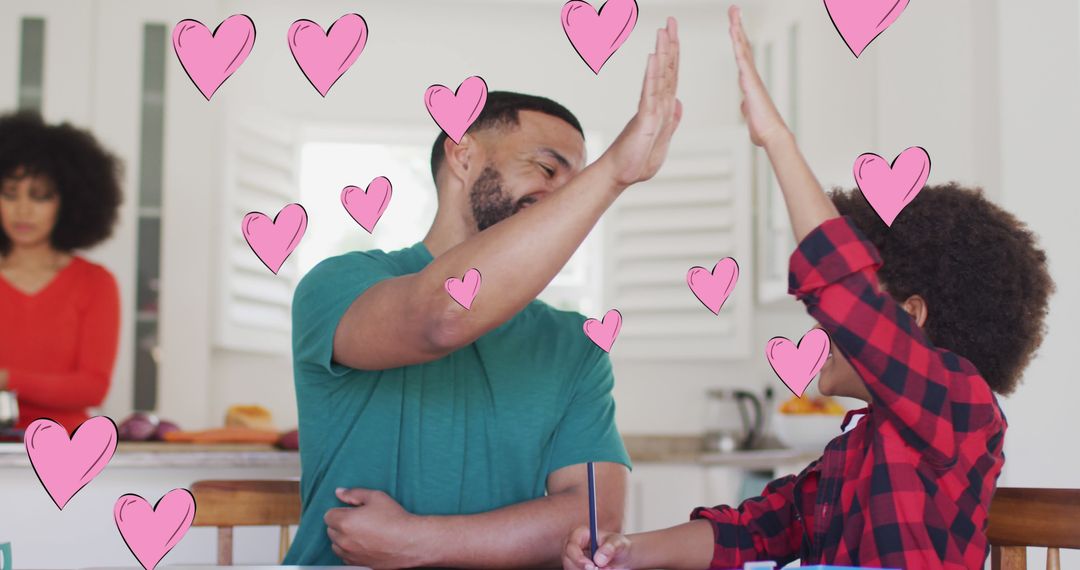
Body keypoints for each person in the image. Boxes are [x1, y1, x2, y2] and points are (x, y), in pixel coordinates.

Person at [562, 6, 1054, 570]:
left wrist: (775, 139)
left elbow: (845, 292)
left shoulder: (959, 407)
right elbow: (754, 532)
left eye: (845, 313)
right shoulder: (850, 454)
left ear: (910, 315)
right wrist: (625, 553)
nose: (823, 324)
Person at [285, 18, 683, 569]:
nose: (566, 203)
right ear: (462, 154)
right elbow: (442, 317)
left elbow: (594, 518)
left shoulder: (575, 344)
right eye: (546, 168)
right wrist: (614, 170)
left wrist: (414, 542)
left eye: (580, 189)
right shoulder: (339, 285)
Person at [0, 111, 123, 434]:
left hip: (68, 452)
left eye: (40, 196)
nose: (22, 210)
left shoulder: (95, 283)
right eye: (10, 193)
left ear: (68, 202)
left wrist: (6, 379)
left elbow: (92, 388)